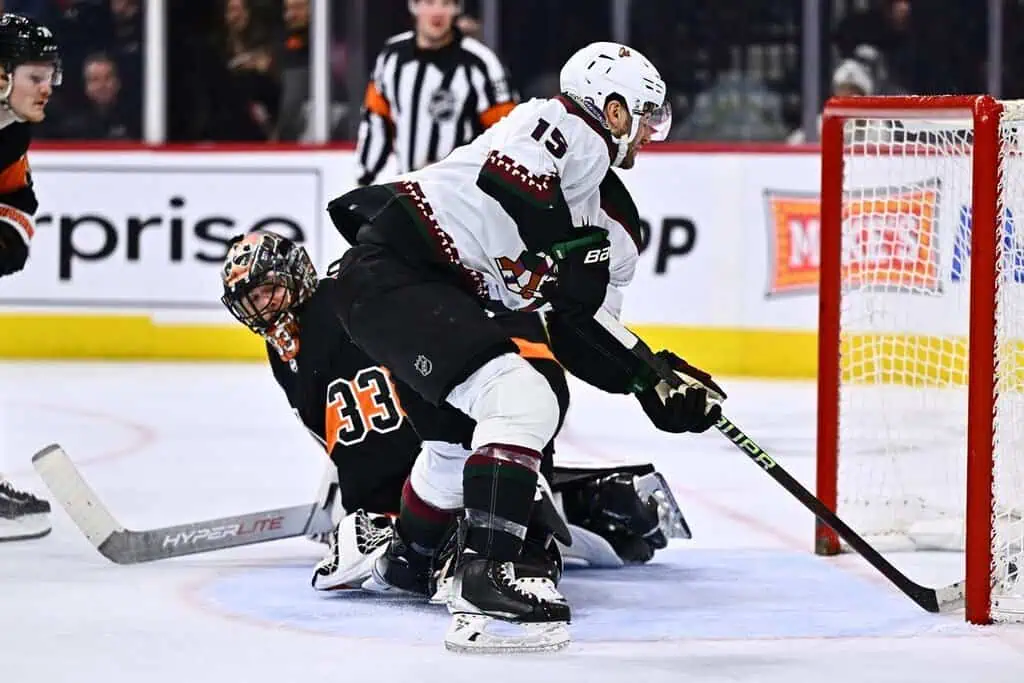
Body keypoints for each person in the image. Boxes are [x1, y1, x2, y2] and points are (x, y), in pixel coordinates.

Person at [316, 40, 726, 652]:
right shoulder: (553, 121)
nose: (644, 133)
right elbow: (510, 182)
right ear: (611, 110)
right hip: (394, 274)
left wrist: (651, 380)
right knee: (524, 401)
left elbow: (578, 331)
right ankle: (487, 578)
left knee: (456, 444)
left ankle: (410, 555)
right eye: (641, 116)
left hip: (422, 294)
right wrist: (563, 260)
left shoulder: (612, 225)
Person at [218, 227, 692, 574]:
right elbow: (333, 428)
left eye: (269, 291)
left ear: (297, 273)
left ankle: (590, 501)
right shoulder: (286, 352)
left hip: (456, 453)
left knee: (499, 543)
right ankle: (579, 505)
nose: (265, 309)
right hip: (411, 488)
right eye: (252, 302)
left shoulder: (356, 296)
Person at [0, 13, 62, 543]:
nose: (48, 88)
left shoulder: (12, 132)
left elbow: (18, 198)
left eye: (51, 76)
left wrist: (10, 234)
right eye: (36, 76)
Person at [355, 0, 516, 186]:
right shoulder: (391, 57)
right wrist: (363, 179)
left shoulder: (480, 63)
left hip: (463, 195)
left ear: (457, 8)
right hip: (408, 192)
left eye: (446, 3)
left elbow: (508, 134)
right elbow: (376, 123)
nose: (437, 12)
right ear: (413, 5)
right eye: (429, 2)